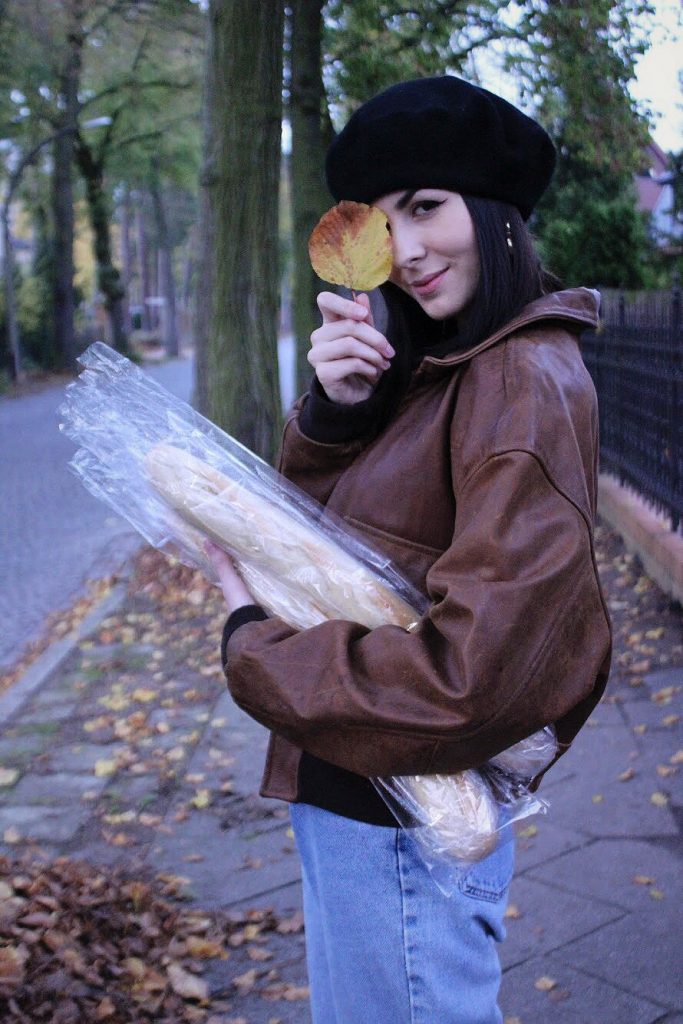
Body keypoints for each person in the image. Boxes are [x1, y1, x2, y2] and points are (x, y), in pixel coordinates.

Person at [207, 76, 612, 1024]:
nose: (409, 249)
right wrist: (337, 417)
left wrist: (252, 648)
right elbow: (325, 550)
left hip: (401, 818)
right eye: (384, 221)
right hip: (367, 796)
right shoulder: (446, 367)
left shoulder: (516, 383)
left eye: (427, 206)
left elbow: (467, 680)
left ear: (494, 208)